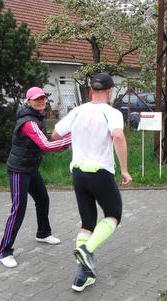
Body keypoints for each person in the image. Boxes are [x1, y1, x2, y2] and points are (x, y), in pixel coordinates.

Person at [52, 73, 132, 292]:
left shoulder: (77, 111)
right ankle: (87, 250)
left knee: (87, 223)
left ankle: (81, 277)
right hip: (100, 173)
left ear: (90, 92)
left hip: (78, 173)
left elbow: (55, 135)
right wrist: (124, 170)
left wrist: (77, 140)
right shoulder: (112, 112)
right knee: (114, 214)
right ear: (110, 92)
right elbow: (118, 136)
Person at [0, 87, 72, 268]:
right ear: (28, 101)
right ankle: (4, 252)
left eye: (43, 98)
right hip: (18, 170)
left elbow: (43, 141)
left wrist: (63, 142)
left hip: (30, 168)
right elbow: (46, 145)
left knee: (43, 199)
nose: (41, 101)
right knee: (18, 209)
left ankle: (43, 233)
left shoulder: (37, 117)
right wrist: (72, 138)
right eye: (36, 99)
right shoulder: (28, 122)